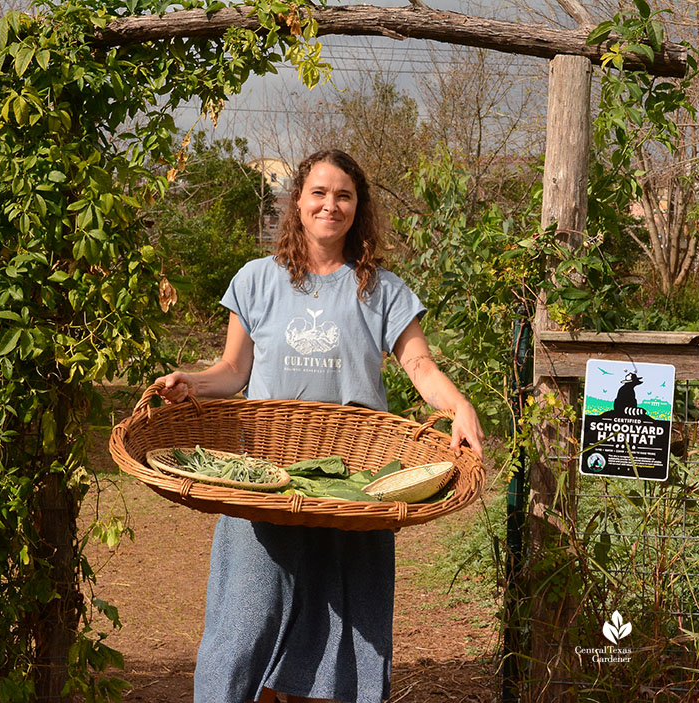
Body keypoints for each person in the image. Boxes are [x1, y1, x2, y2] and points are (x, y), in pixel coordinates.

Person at [157, 149, 484, 703]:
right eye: (319, 193)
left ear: (359, 207)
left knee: (339, 641)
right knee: (247, 622)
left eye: (344, 195)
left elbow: (420, 365)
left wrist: (459, 407)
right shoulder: (256, 280)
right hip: (262, 478)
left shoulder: (382, 290)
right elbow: (233, 371)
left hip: (354, 485)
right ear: (298, 202)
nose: (330, 205)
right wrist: (191, 381)